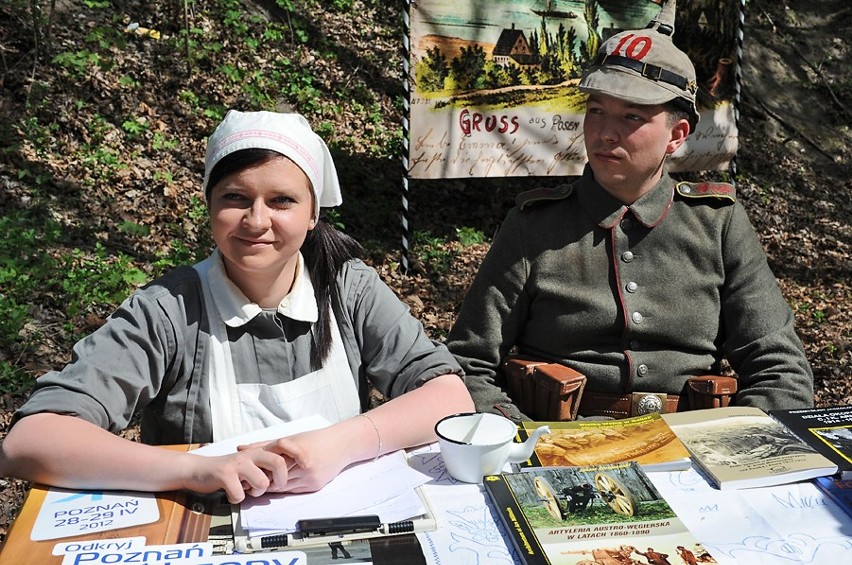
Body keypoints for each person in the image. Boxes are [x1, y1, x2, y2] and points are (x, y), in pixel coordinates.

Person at [0, 110, 474, 503]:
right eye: (236, 198)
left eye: (282, 200)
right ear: (209, 206)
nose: (256, 220)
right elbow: (32, 440)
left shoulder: (348, 289)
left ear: (312, 214)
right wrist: (193, 468)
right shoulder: (167, 310)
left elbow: (449, 396)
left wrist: (339, 444)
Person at [445, 0, 813, 422]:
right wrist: (525, 441)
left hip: (690, 452)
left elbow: (781, 370)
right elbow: (468, 365)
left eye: (631, 117)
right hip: (559, 447)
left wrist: (730, 450)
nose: (604, 132)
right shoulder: (534, 226)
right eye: (596, 111)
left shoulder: (718, 224)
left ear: (676, 135)